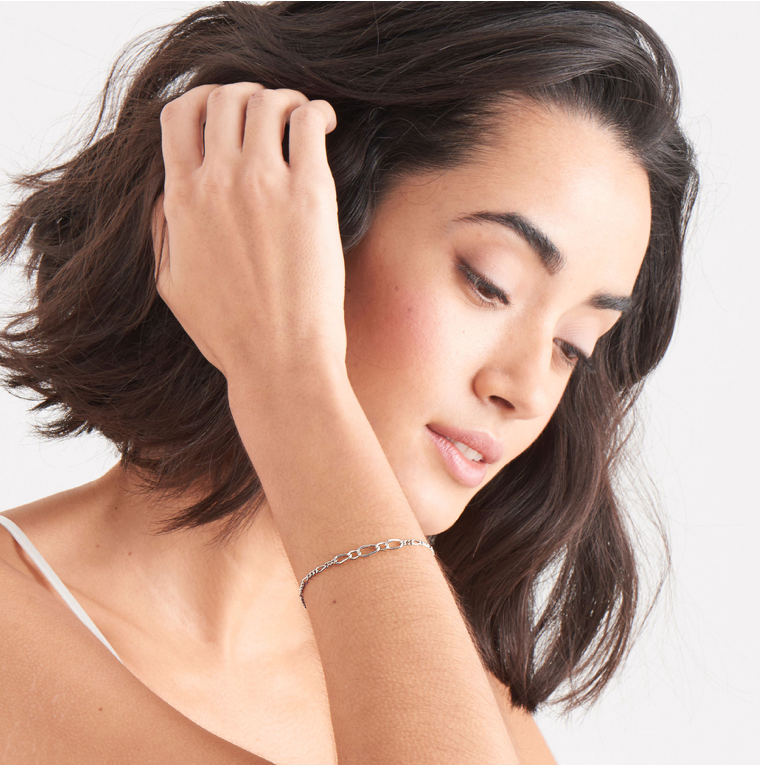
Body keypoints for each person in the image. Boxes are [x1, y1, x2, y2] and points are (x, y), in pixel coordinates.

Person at [0, 1, 698, 764]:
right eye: (487, 282)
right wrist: (287, 374)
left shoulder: (462, 705)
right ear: (297, 211)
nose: (527, 390)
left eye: (572, 346)